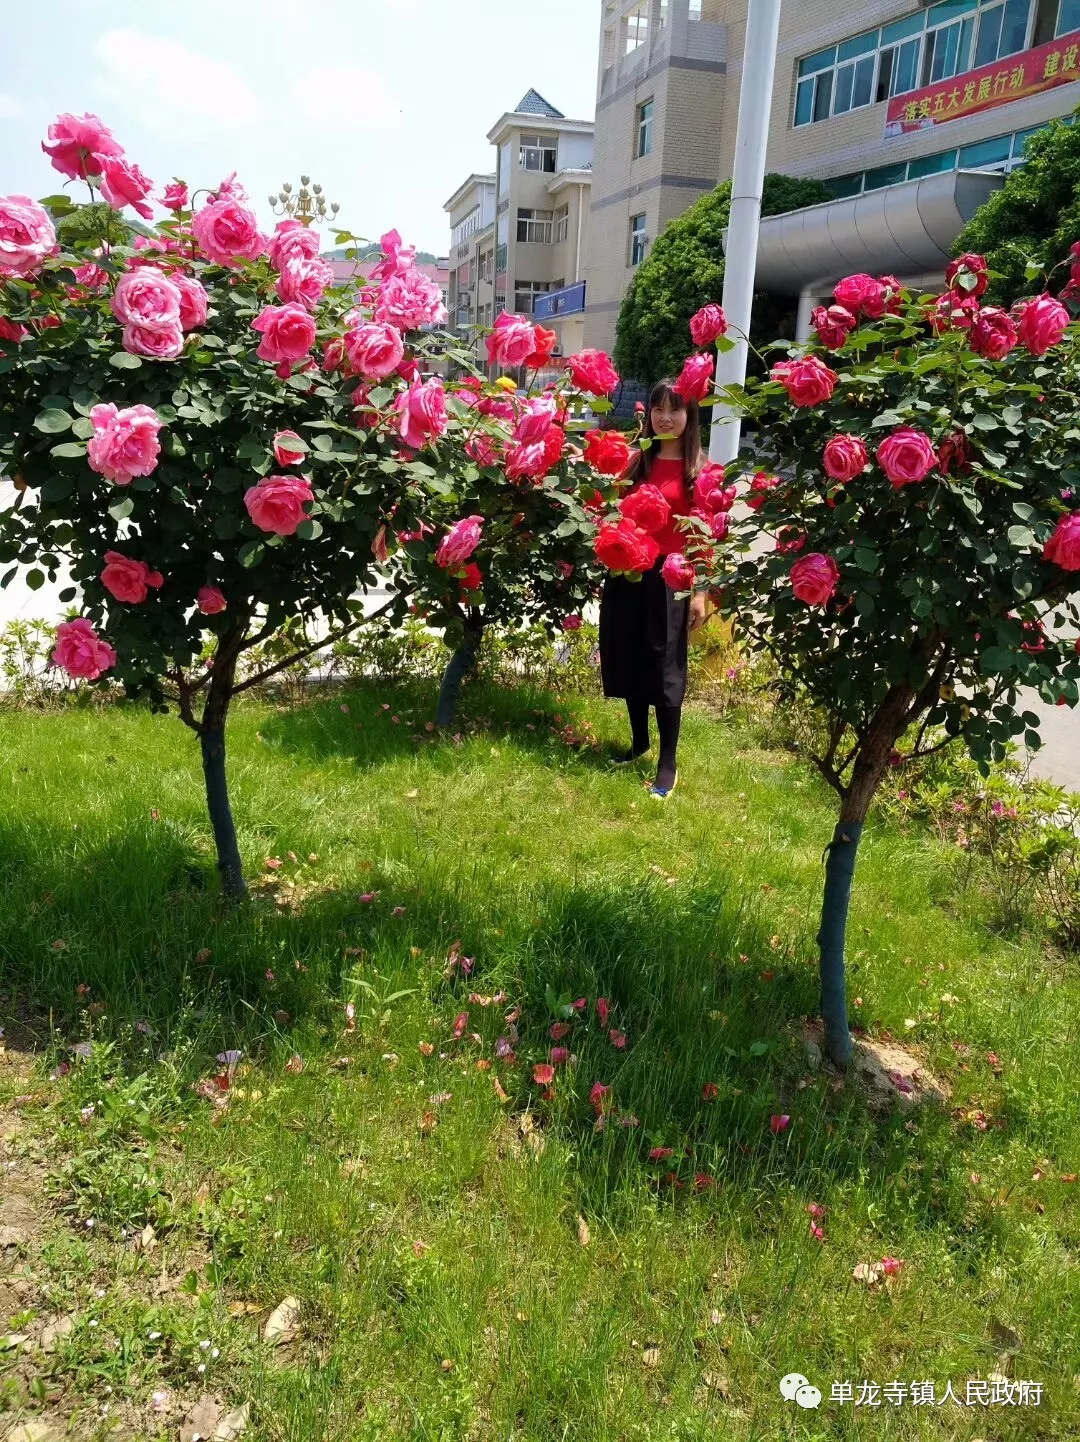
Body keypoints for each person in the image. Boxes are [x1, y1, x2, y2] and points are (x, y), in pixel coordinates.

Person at [599, 378, 708, 799]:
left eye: (675, 410)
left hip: (671, 579)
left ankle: (668, 761)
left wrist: (700, 591)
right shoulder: (634, 462)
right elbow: (607, 510)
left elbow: (704, 537)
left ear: (689, 416)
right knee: (628, 656)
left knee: (664, 667)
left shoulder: (699, 470)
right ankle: (639, 743)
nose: (666, 417)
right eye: (659, 408)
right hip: (628, 571)